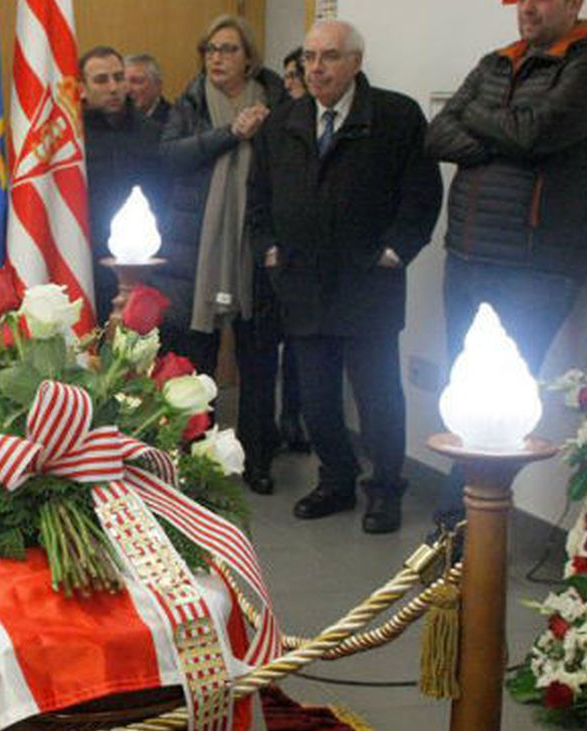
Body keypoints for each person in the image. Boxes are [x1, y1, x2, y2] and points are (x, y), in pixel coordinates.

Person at [425, 0, 587, 528]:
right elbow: (438, 131)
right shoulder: (498, 61)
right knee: (461, 397)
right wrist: (507, 137)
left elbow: (537, 132)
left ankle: (460, 537)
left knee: (496, 415)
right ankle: (458, 534)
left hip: (535, 266)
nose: (528, 8)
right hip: (468, 254)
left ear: (574, 3)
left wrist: (492, 126)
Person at [246, 19, 442, 533]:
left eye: (329, 56)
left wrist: (397, 251)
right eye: (309, 57)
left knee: (378, 396)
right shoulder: (282, 122)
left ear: (355, 61)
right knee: (315, 396)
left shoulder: (396, 117)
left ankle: (384, 491)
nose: (316, 68)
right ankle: (335, 481)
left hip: (368, 285)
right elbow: (258, 199)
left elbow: (421, 194)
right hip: (303, 284)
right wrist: (267, 249)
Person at [154, 15, 285, 495]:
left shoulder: (276, 103)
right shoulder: (190, 101)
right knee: (196, 364)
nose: (217, 58)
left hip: (253, 251)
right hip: (194, 252)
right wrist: (229, 133)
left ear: (248, 57)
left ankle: (257, 458)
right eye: (210, 49)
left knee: (257, 363)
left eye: (228, 49)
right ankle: (198, 457)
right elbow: (170, 157)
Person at [79, 45, 164, 321]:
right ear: (82, 88)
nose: (114, 87)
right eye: (102, 80)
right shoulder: (71, 139)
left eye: (119, 77)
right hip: (84, 261)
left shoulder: (152, 132)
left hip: (142, 267)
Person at [276, 45, 310, 453]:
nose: (289, 82)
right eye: (285, 75)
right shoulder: (280, 123)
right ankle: (288, 417)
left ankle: (295, 419)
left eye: (294, 74)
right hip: (283, 257)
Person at [125, 54, 173, 127]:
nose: (127, 90)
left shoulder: (176, 121)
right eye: (123, 82)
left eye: (137, 81)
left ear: (157, 85)